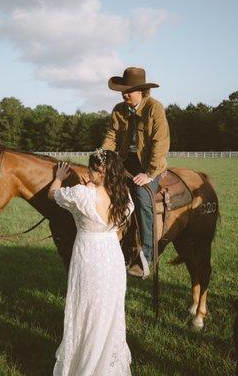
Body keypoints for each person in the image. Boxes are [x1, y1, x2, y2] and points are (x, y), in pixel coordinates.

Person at [48, 149, 134, 376]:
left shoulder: (81, 194)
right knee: (108, 312)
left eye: (93, 168)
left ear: (102, 172)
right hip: (112, 256)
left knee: (86, 310)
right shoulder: (124, 195)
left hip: (89, 256)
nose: (88, 171)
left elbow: (52, 195)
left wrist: (58, 178)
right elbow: (119, 229)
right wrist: (92, 185)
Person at [102, 66, 170, 278]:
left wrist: (149, 174)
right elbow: (111, 136)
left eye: (129, 90)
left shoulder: (155, 109)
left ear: (142, 91)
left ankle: (147, 255)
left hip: (149, 164)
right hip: (125, 162)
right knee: (103, 193)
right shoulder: (118, 110)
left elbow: (161, 143)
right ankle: (115, 247)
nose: (124, 94)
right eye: (123, 90)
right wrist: (102, 158)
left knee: (142, 198)